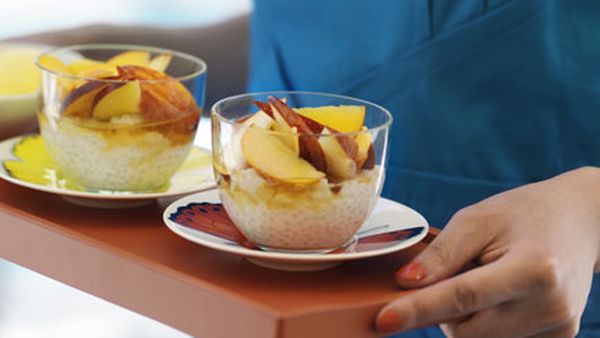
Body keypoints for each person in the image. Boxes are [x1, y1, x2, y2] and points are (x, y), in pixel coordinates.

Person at [8, 0, 600, 336]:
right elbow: (339, 39)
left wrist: (589, 205)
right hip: (276, 297)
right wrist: (83, 51)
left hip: (531, 308)